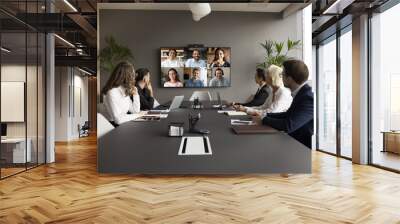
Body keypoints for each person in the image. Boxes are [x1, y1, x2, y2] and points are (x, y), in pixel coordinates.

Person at [258, 60, 314, 148]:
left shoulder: (308, 98)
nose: (281, 77)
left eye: (282, 75)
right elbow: (287, 115)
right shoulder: (301, 93)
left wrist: (263, 119)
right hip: (293, 142)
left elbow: (288, 125)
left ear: (289, 78)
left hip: (302, 148)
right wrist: (265, 115)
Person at [102, 61, 142, 126]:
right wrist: (138, 115)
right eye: (132, 75)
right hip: (112, 127)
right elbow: (118, 120)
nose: (134, 78)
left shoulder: (124, 90)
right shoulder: (111, 92)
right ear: (127, 76)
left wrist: (136, 95)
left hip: (123, 124)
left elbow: (135, 111)